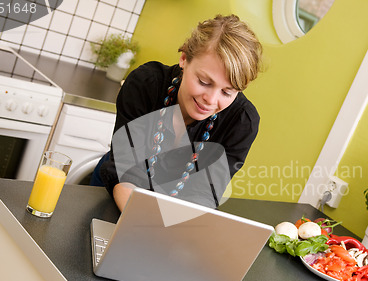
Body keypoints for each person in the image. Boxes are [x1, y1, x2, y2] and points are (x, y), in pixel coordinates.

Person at [91, 14, 263, 211]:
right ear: (184, 59)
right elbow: (127, 173)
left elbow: (204, 193)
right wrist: (147, 226)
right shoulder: (146, 84)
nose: (211, 100)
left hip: (171, 212)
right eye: (204, 82)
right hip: (116, 194)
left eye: (227, 92)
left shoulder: (241, 122)